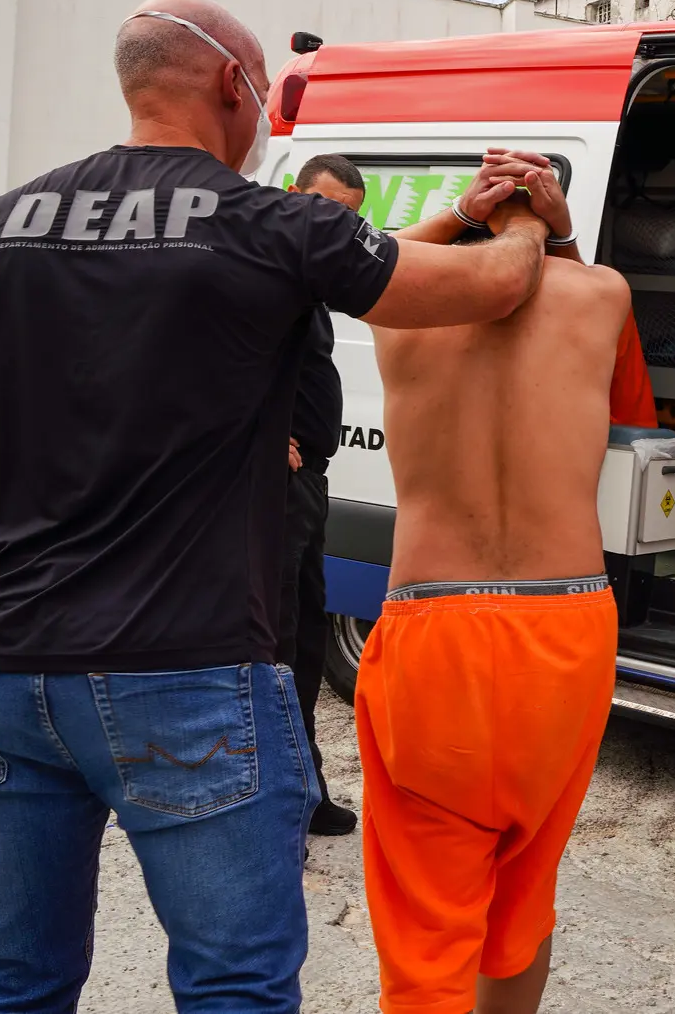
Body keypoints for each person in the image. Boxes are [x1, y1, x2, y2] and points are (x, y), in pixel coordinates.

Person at [0, 0, 548, 1012]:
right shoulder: (264, 226)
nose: (270, 130)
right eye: (269, 105)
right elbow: (486, 289)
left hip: (5, 678)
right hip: (187, 672)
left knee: (16, 980)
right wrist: (519, 220)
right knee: (233, 985)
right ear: (230, 86)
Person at [354, 156, 630, 1014]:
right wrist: (547, 222)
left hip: (437, 625)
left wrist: (460, 214)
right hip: (569, 626)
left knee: (428, 911)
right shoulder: (601, 295)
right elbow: (565, 275)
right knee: (523, 891)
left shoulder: (402, 317)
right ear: (549, 217)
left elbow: (378, 258)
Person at [281, 152, 366, 837]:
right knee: (280, 648)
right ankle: (282, 798)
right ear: (294, 196)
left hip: (308, 480)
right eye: (332, 210)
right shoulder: (268, 270)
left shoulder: (310, 275)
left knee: (306, 643)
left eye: (352, 218)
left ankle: (302, 790)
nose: (342, 228)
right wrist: (257, 435)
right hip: (276, 486)